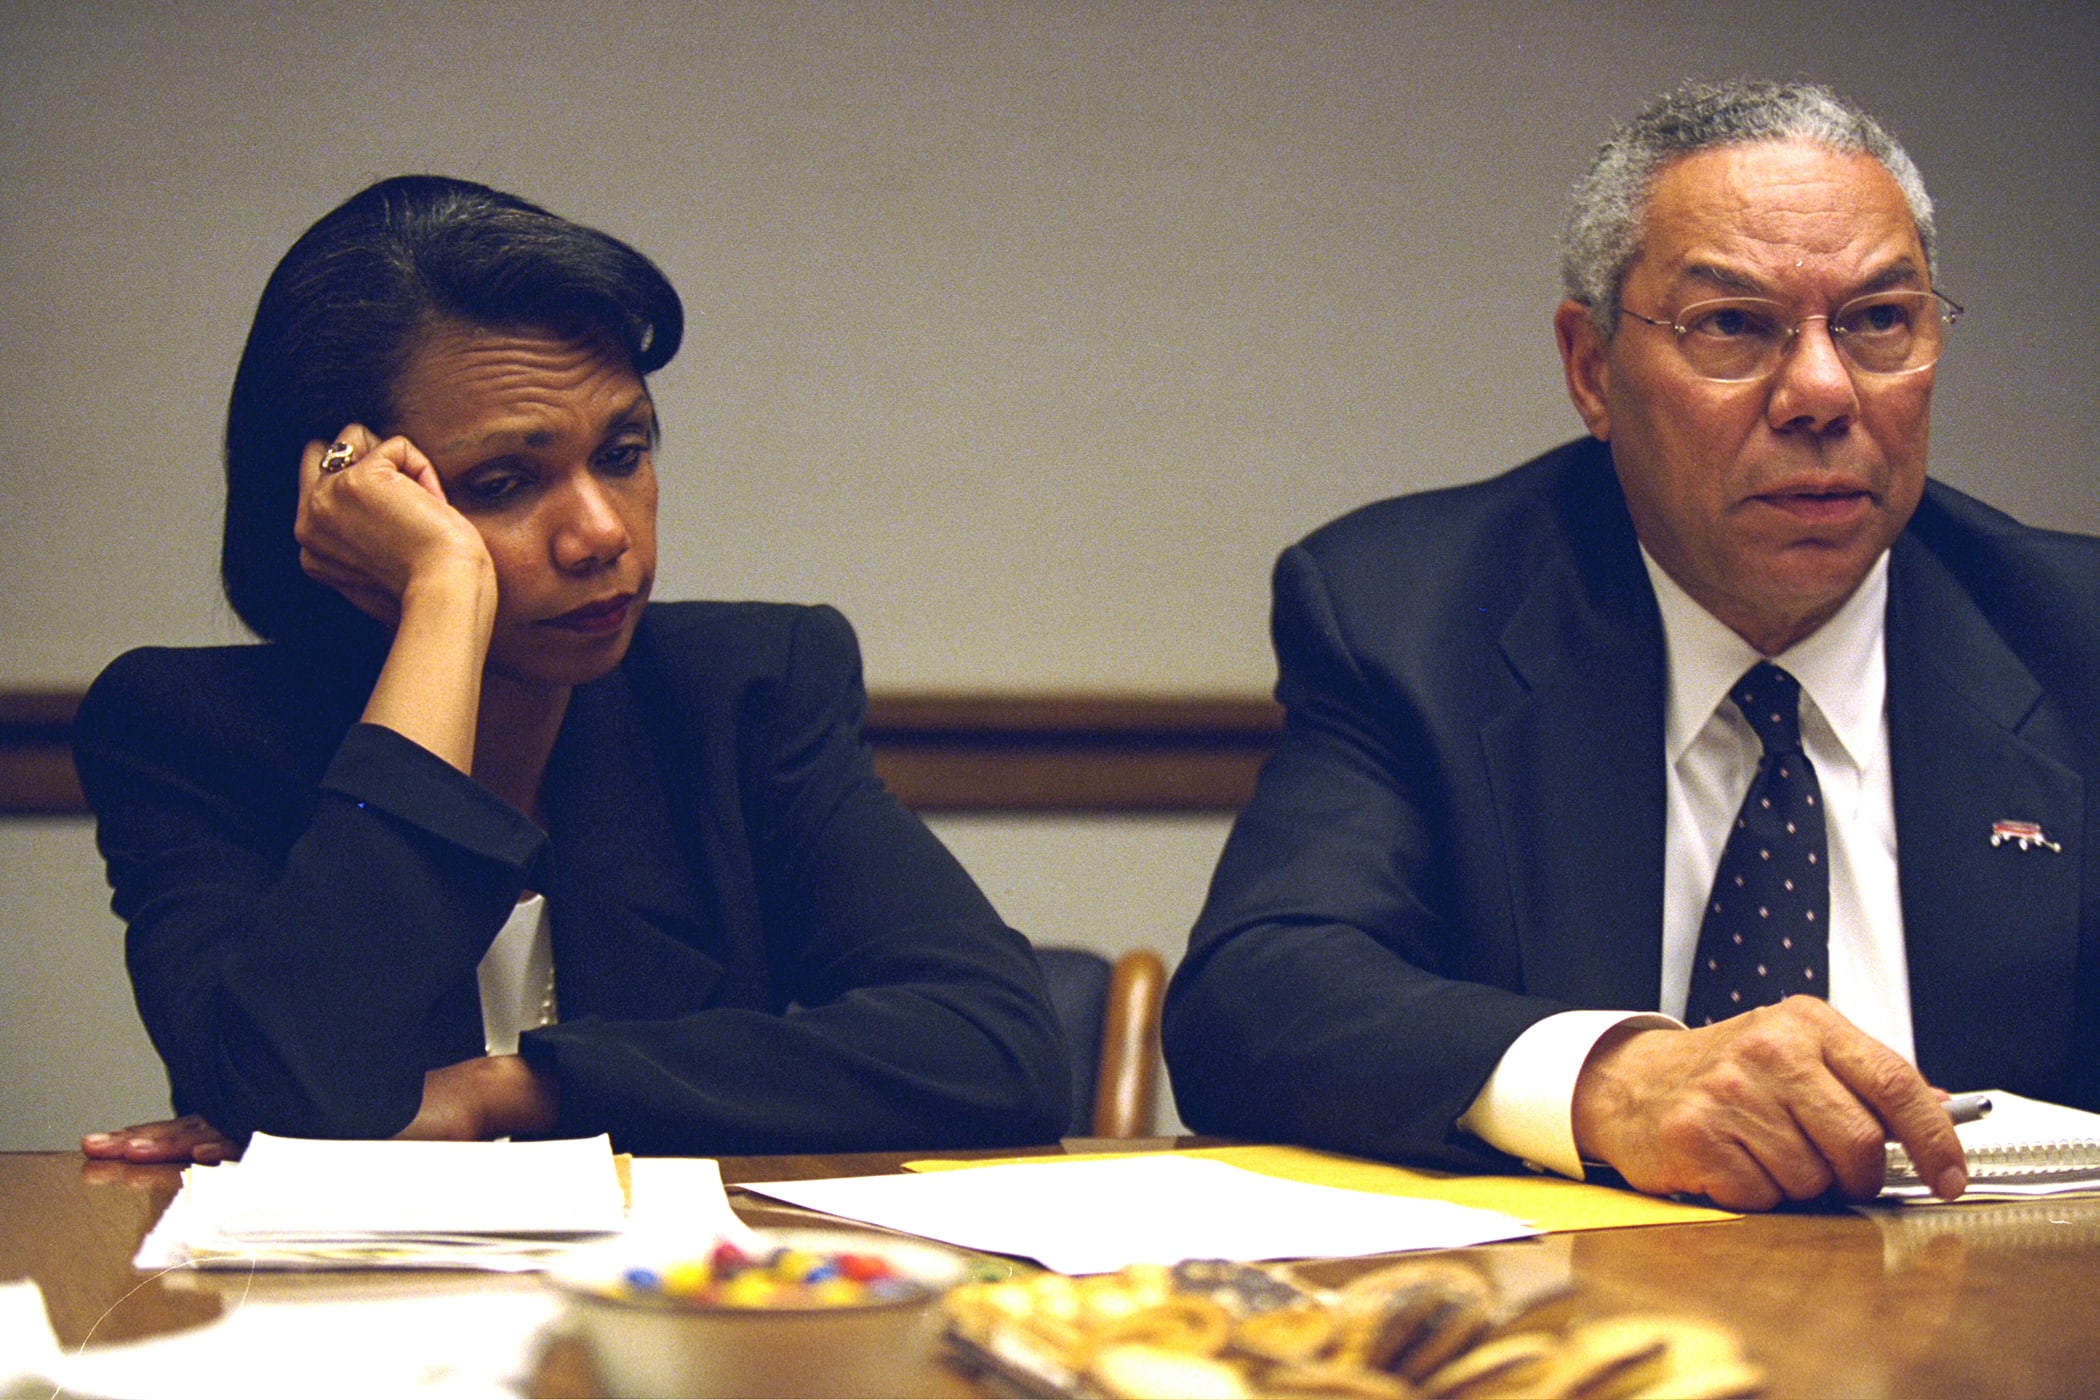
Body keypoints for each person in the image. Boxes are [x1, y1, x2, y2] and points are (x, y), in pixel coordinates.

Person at [1163, 80, 2100, 1212]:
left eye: (1878, 320)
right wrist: (1611, 1076)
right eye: (1734, 326)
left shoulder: (2068, 633)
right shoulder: (1415, 613)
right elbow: (1258, 997)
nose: (1820, 390)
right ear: (1593, 369)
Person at [74, 175, 1070, 1164]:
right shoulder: (186, 732)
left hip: (682, 1304)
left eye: (624, 450)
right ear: (355, 504)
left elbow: (998, 1049)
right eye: (502, 482)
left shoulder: (744, 693)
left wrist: (516, 1088)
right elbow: (305, 1096)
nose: (600, 531)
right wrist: (447, 591)